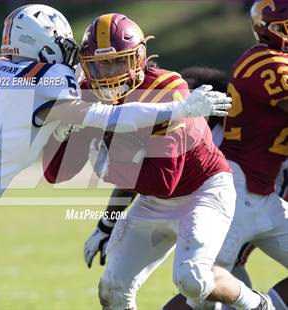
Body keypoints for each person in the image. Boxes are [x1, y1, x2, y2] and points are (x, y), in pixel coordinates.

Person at [0, 5, 232, 310]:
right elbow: (109, 117)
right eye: (63, 44)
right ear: (46, 45)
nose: (70, 53)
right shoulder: (48, 81)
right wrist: (178, 109)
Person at [42, 13, 263, 310]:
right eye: (101, 63)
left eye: (119, 60)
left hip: (202, 192)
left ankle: (257, 304)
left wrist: (107, 167)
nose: (110, 72)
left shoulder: (167, 89)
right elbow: (56, 173)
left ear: (139, 57)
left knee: (192, 279)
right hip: (153, 200)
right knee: (112, 289)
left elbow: (164, 181)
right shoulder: (89, 93)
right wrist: (62, 130)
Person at [163, 1, 288, 309]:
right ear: (266, 30)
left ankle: (266, 305)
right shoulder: (263, 60)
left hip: (265, 196)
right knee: (200, 288)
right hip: (235, 192)